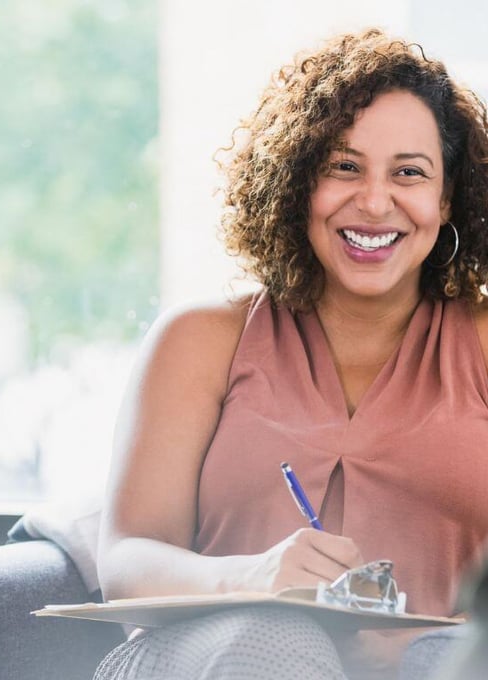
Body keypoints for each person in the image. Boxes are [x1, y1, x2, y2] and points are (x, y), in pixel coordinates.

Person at [93, 28, 488, 680]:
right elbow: (128, 559)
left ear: (445, 200)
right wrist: (252, 578)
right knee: (276, 642)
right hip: (209, 658)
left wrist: (431, 645)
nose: (374, 201)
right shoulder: (201, 339)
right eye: (344, 166)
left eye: (409, 173)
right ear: (300, 181)